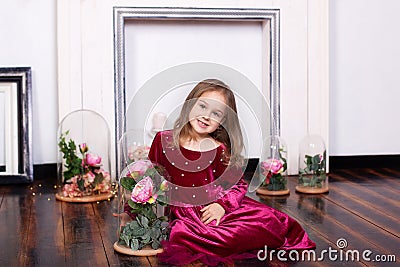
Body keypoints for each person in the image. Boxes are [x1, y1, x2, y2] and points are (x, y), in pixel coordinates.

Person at [147, 79, 316, 266]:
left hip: (211, 210)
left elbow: (238, 185)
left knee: (269, 221)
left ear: (222, 122)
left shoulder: (218, 150)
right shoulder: (164, 140)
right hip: (184, 217)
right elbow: (150, 177)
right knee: (182, 234)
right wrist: (136, 208)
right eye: (202, 106)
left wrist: (221, 206)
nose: (206, 116)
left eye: (216, 113)